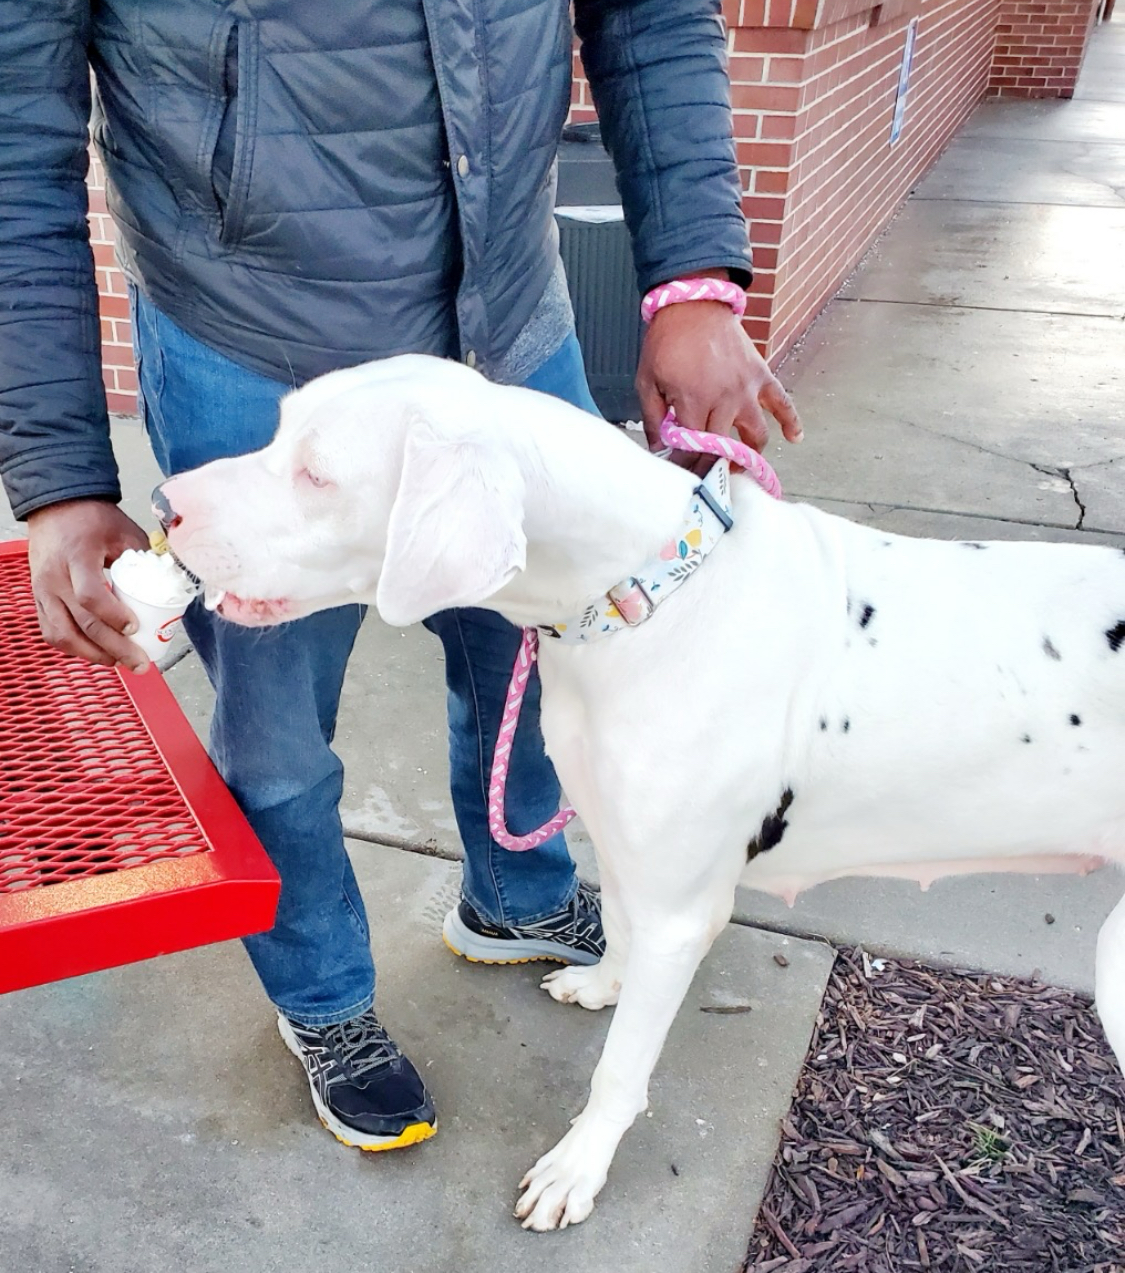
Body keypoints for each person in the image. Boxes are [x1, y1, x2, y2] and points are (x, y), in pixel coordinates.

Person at [0, 0, 801, 1153]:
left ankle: (516, 891)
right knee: (276, 732)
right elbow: (15, 144)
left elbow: (653, 13)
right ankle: (324, 995)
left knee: (547, 646)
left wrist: (692, 283)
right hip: (253, 335)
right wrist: (61, 476)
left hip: (506, 322)